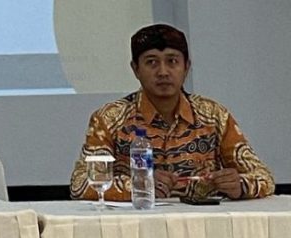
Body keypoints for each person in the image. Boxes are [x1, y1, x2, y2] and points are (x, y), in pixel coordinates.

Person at [70, 24, 274, 201]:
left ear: (187, 67)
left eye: (172, 61)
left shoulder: (213, 116)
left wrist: (240, 185)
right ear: (135, 69)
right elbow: (80, 184)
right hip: (137, 223)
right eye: (151, 62)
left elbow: (263, 177)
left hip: (202, 222)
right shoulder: (110, 119)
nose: (163, 72)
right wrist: (138, 185)